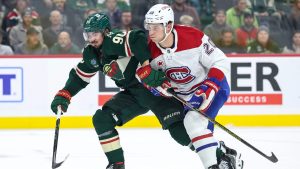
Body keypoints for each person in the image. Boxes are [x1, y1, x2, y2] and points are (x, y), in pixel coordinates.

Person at [50, 12, 194, 169]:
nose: (91, 39)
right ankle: (116, 165)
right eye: (88, 34)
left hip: (152, 89)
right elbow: (79, 77)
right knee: (102, 119)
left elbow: (138, 36)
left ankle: (218, 154)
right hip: (133, 94)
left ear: (106, 31)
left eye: (95, 34)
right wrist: (65, 94)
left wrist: (145, 65)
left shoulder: (114, 40)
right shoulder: (91, 53)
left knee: (179, 133)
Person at [138, 4, 244, 169]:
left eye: (155, 27)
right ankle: (225, 157)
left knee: (193, 123)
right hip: (185, 98)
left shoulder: (192, 37)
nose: (150, 32)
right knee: (187, 135)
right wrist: (157, 86)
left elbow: (221, 61)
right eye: (148, 27)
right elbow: (147, 79)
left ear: (168, 25)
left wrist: (209, 86)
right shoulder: (149, 51)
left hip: (213, 89)